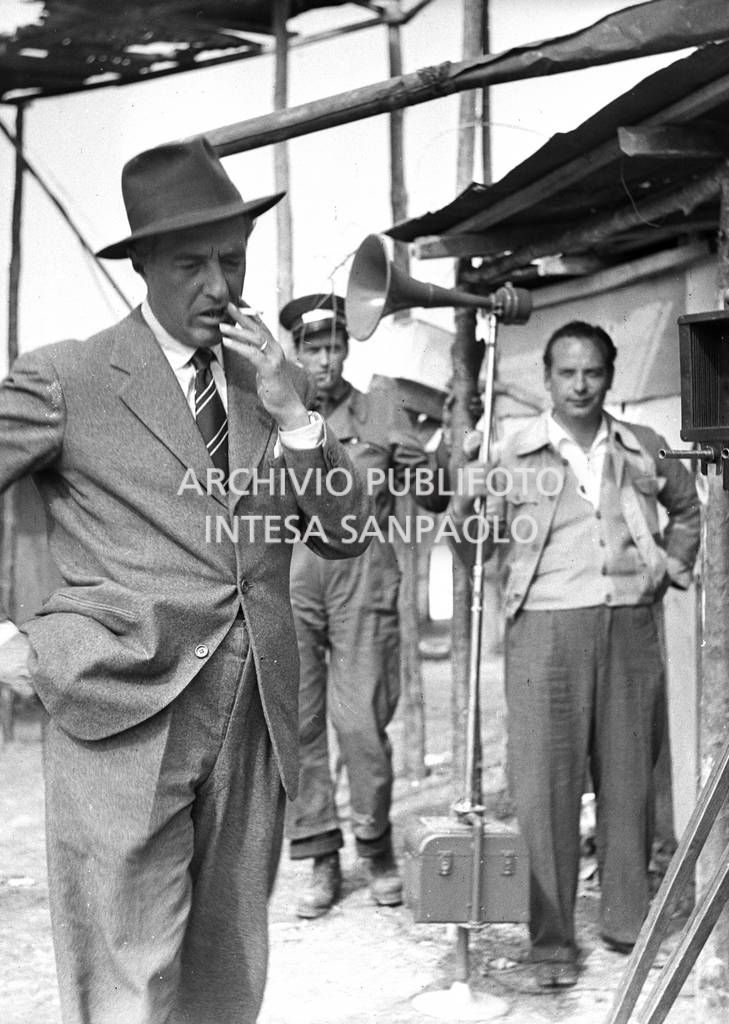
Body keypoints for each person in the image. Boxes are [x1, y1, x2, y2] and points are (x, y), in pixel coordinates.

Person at [0, 136, 370, 1024]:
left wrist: (296, 410)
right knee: (126, 980)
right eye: (192, 264)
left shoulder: (272, 384)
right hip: (120, 710)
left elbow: (345, 533)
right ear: (142, 263)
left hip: (252, 712)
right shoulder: (68, 377)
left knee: (227, 976)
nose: (220, 287)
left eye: (232, 259)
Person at [450, 320, 700, 989]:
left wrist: (667, 570)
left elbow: (689, 511)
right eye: (568, 373)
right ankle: (553, 941)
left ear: (609, 376)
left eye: (592, 372)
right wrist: (467, 491)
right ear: (549, 380)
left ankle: (626, 922)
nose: (581, 384)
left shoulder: (643, 447)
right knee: (544, 787)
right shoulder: (511, 451)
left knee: (629, 778)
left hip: (629, 627)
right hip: (544, 630)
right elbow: (468, 540)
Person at [277, 293, 449, 918]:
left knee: (360, 724)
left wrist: (445, 450)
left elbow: (430, 495)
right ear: (294, 352)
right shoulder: (271, 411)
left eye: (334, 347)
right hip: (290, 577)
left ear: (348, 348)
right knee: (297, 722)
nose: (324, 360)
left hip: (361, 576)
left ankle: (374, 846)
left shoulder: (377, 408)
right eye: (312, 348)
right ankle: (320, 854)